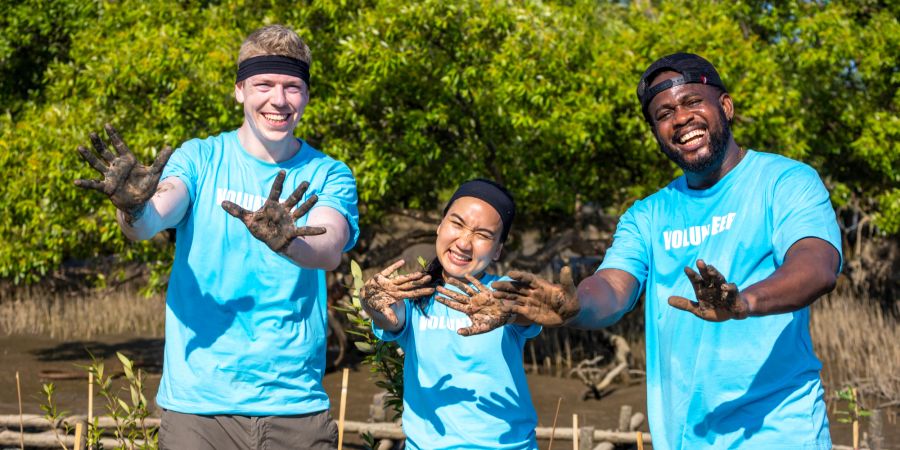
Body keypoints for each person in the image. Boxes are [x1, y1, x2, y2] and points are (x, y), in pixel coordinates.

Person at [493, 53, 842, 449]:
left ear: (725, 107)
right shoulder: (646, 215)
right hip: (681, 438)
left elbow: (816, 266)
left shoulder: (785, 181)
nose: (680, 119)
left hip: (780, 433)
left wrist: (744, 302)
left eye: (692, 102)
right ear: (657, 132)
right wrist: (573, 306)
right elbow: (612, 287)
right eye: (664, 113)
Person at [73, 25, 359, 449]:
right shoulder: (199, 158)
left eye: (292, 87)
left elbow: (330, 247)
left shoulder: (328, 173)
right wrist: (132, 206)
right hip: (197, 408)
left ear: (307, 95)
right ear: (240, 90)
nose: (278, 100)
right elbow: (151, 221)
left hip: (294, 404)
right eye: (264, 84)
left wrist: (288, 242)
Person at [361, 179, 541, 450]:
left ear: (498, 250)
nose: (464, 243)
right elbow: (390, 317)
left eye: (482, 235)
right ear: (440, 225)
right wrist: (371, 304)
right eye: (457, 224)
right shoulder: (416, 295)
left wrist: (509, 311)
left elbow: (531, 312)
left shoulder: (504, 290)